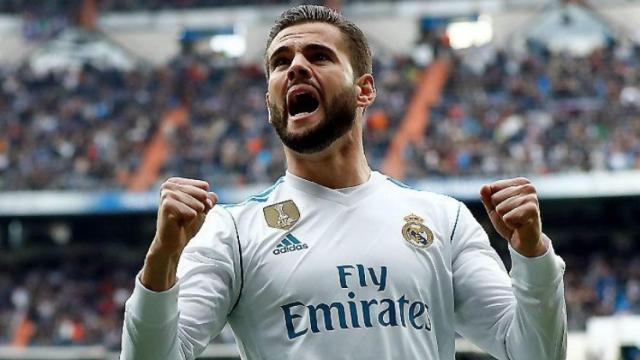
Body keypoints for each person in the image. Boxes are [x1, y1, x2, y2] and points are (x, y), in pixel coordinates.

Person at [121, 5, 567, 360]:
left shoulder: (443, 220)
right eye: (281, 62)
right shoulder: (233, 232)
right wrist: (163, 257)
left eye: (318, 56)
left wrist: (532, 255)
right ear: (270, 100)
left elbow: (533, 352)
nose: (295, 67)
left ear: (364, 90)